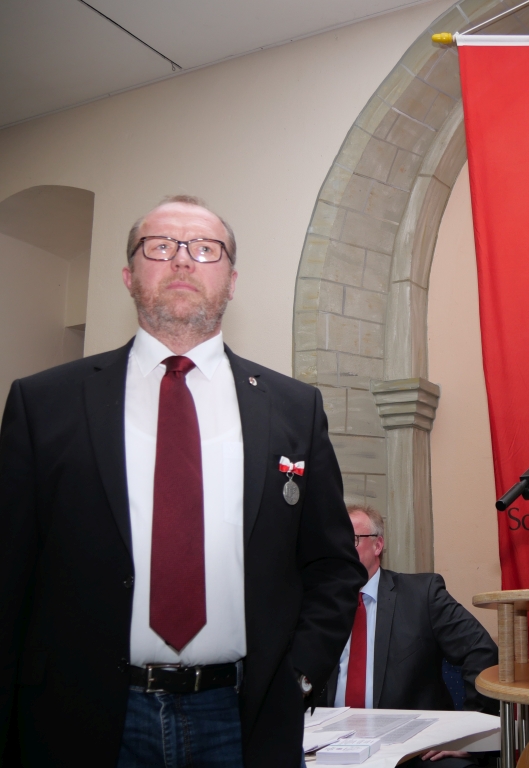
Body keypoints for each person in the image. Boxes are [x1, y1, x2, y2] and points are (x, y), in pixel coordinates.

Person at [0, 195, 366, 767]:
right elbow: (10, 570)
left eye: (204, 248)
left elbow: (332, 565)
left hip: (242, 717)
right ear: (128, 276)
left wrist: (295, 676)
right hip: (81, 715)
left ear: (232, 281)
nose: (182, 259)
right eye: (160, 246)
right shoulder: (43, 402)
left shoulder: (295, 408)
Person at [317, 505, 499, 767]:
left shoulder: (421, 594)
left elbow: (481, 651)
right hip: (331, 744)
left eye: (352, 539)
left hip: (412, 748)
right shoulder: (320, 603)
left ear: (378, 545)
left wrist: (468, 735)